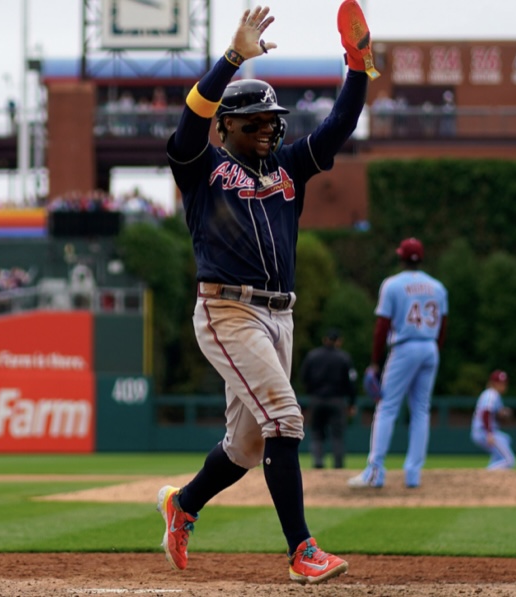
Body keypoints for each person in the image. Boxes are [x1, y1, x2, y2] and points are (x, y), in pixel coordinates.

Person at [155, 2, 377, 585]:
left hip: (280, 317)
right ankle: (302, 550)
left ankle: (184, 505)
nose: (266, 129)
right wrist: (232, 58)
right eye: (252, 122)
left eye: (271, 121)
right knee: (285, 419)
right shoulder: (200, 167)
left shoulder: (286, 168)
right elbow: (188, 117)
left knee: (248, 447)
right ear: (225, 125)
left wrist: (357, 66)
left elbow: (339, 127)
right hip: (227, 309)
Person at [348, 237, 448, 489]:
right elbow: (444, 326)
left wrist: (374, 362)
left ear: (401, 257)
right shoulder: (438, 287)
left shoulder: (392, 284)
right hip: (429, 347)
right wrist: (435, 350)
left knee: (387, 407)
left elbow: (381, 327)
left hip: (405, 347)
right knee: (421, 411)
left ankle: (375, 471)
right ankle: (413, 474)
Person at [299, 328, 358, 469]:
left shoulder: (312, 356)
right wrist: (351, 403)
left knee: (316, 433)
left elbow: (303, 378)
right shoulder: (344, 358)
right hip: (337, 400)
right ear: (339, 341)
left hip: (317, 399)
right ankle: (338, 466)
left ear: (324, 340)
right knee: (337, 435)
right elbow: (351, 383)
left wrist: (311, 392)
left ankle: (318, 463)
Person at [470, 370, 516, 470]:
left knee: (506, 439)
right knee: (509, 461)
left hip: (486, 431)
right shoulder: (491, 394)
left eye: (504, 383)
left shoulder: (492, 395)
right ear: (493, 383)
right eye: (500, 383)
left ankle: (491, 470)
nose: (503, 385)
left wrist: (501, 414)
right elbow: (486, 412)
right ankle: (486, 474)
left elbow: (493, 414)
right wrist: (489, 433)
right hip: (483, 432)